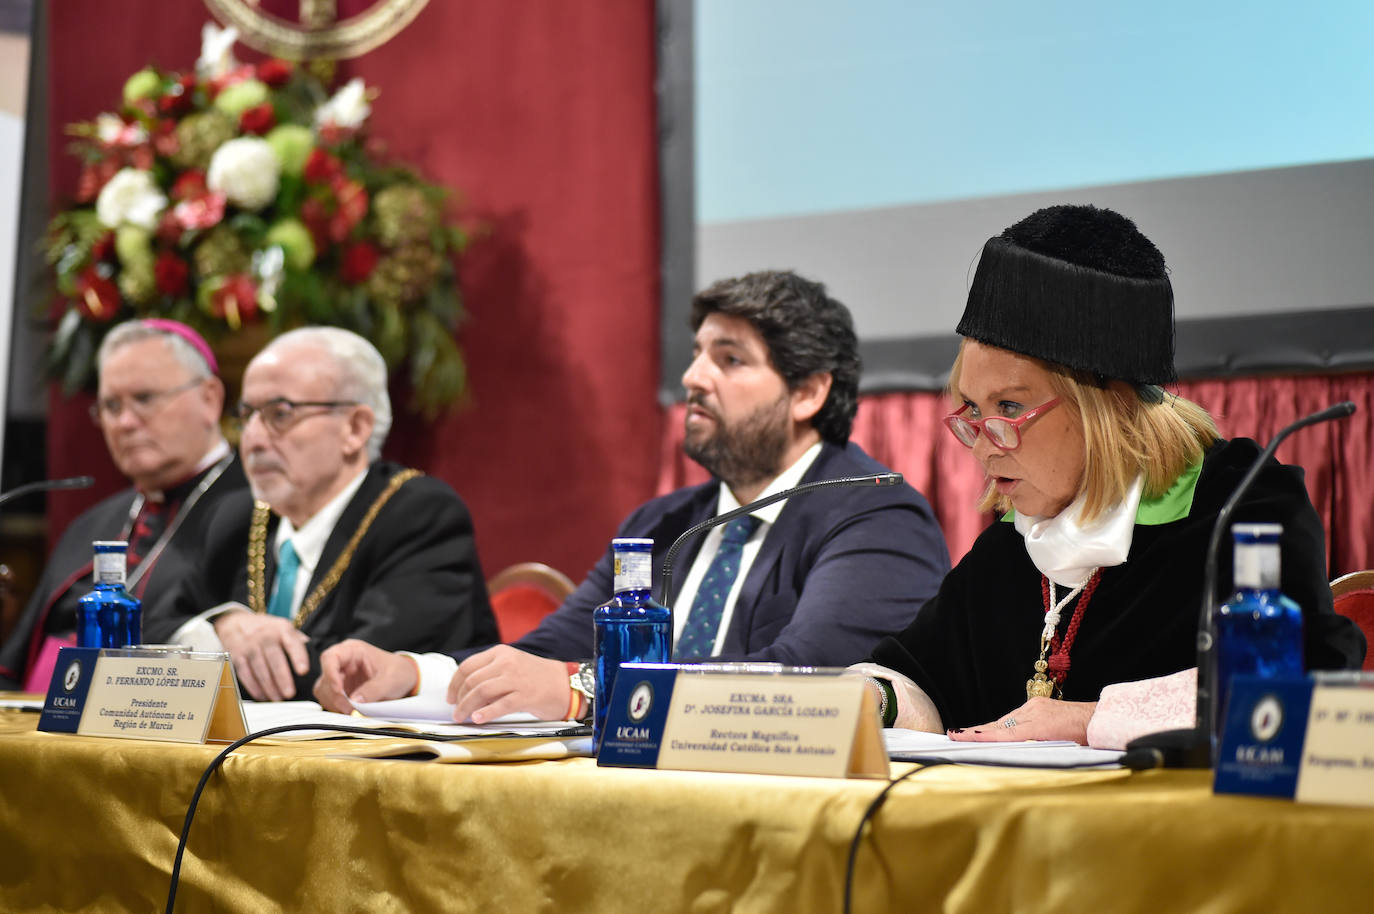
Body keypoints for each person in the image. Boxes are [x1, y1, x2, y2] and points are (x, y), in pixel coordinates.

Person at [315, 269, 951, 721]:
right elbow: (555, 649)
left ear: (809, 393)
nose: (693, 378)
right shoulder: (664, 521)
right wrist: (414, 673)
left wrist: (586, 692)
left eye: (729, 360)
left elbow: (809, 678)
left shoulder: (875, 513)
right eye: (697, 353)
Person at [850, 204, 1366, 746]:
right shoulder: (1016, 540)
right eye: (972, 411)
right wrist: (875, 696)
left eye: (1008, 406)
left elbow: (1304, 690)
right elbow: (917, 674)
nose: (983, 445)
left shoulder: (1244, 507)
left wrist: (1085, 719)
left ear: (1108, 407)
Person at [161, 326, 498, 701]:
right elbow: (154, 624)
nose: (252, 439)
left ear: (355, 428)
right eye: (247, 415)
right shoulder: (237, 516)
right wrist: (225, 624)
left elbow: (362, 673)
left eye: (280, 414)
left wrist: (212, 654)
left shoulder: (419, 515)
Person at [0, 319, 246, 691]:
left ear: (210, 398)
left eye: (145, 399)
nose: (125, 422)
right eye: (111, 406)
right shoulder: (92, 524)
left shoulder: (257, 509)